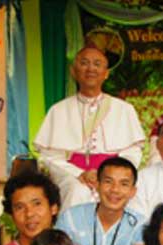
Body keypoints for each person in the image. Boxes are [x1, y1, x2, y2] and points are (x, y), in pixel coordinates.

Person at [34, 45, 145, 210]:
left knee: (133, 196)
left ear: (106, 73)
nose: (91, 68)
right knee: (77, 192)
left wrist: (109, 176)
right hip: (72, 176)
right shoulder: (58, 110)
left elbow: (132, 152)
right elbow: (49, 157)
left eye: (97, 64)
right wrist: (79, 174)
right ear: (73, 71)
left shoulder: (123, 109)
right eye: (84, 63)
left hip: (114, 176)